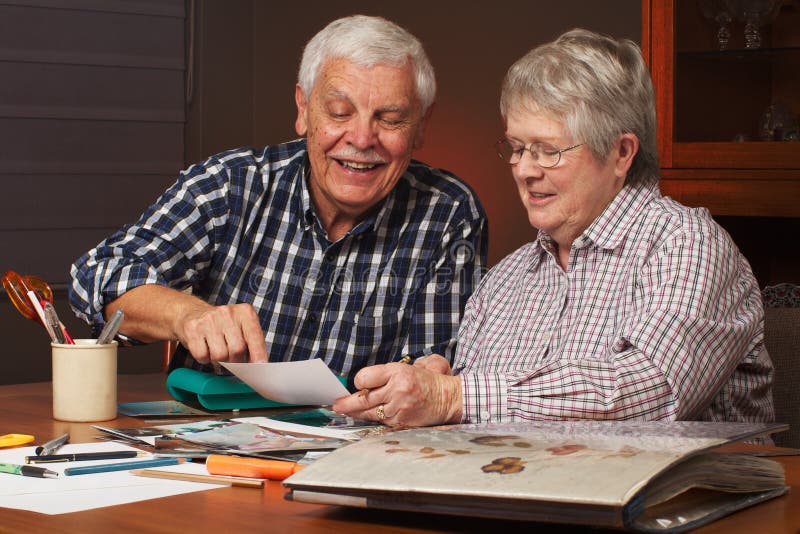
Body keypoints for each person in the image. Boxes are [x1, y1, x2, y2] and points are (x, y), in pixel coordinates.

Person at [333, 28, 773, 426]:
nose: (523, 170)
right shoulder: (504, 281)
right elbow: (476, 411)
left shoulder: (687, 244)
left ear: (621, 153)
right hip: (534, 503)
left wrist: (455, 398)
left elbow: (655, 391)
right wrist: (436, 386)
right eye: (517, 147)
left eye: (547, 150)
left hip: (691, 508)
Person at [69, 15, 487, 386]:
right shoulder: (231, 184)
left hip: (359, 449)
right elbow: (97, 274)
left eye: (390, 119)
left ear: (420, 127)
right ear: (304, 109)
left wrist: (427, 382)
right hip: (212, 443)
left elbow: (434, 366)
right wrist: (187, 315)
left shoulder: (448, 213)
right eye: (339, 113)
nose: (362, 139)